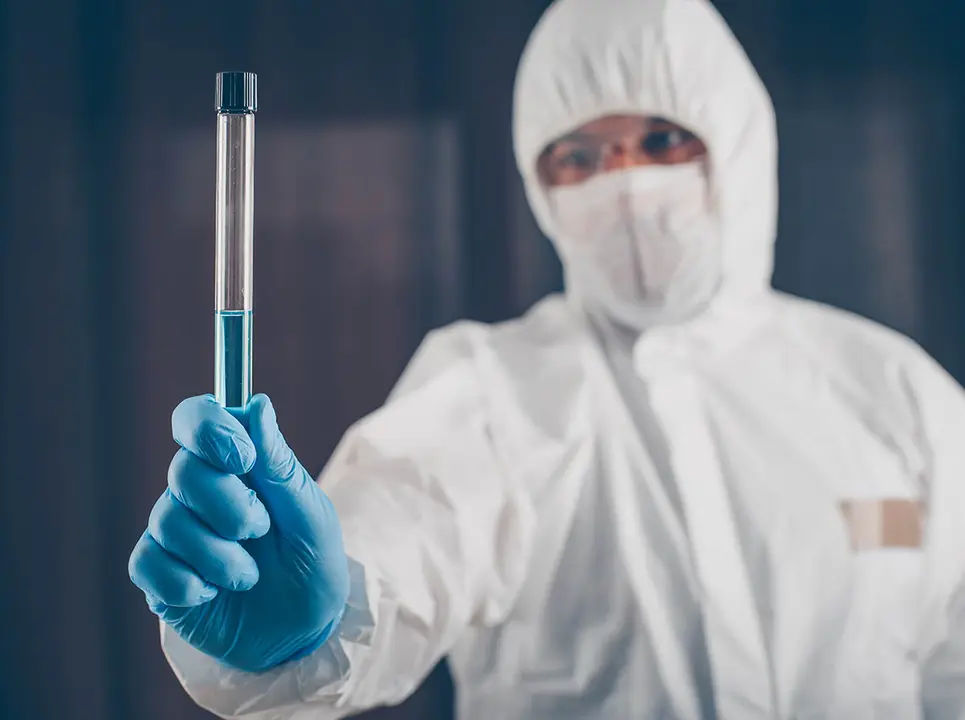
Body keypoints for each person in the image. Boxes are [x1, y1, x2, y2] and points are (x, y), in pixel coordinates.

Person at [128, 0, 965, 717]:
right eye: (580, 157)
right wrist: (324, 618)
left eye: (663, 138)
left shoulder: (893, 392)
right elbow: (409, 526)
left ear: (738, 144)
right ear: (541, 184)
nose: (626, 183)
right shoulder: (494, 389)